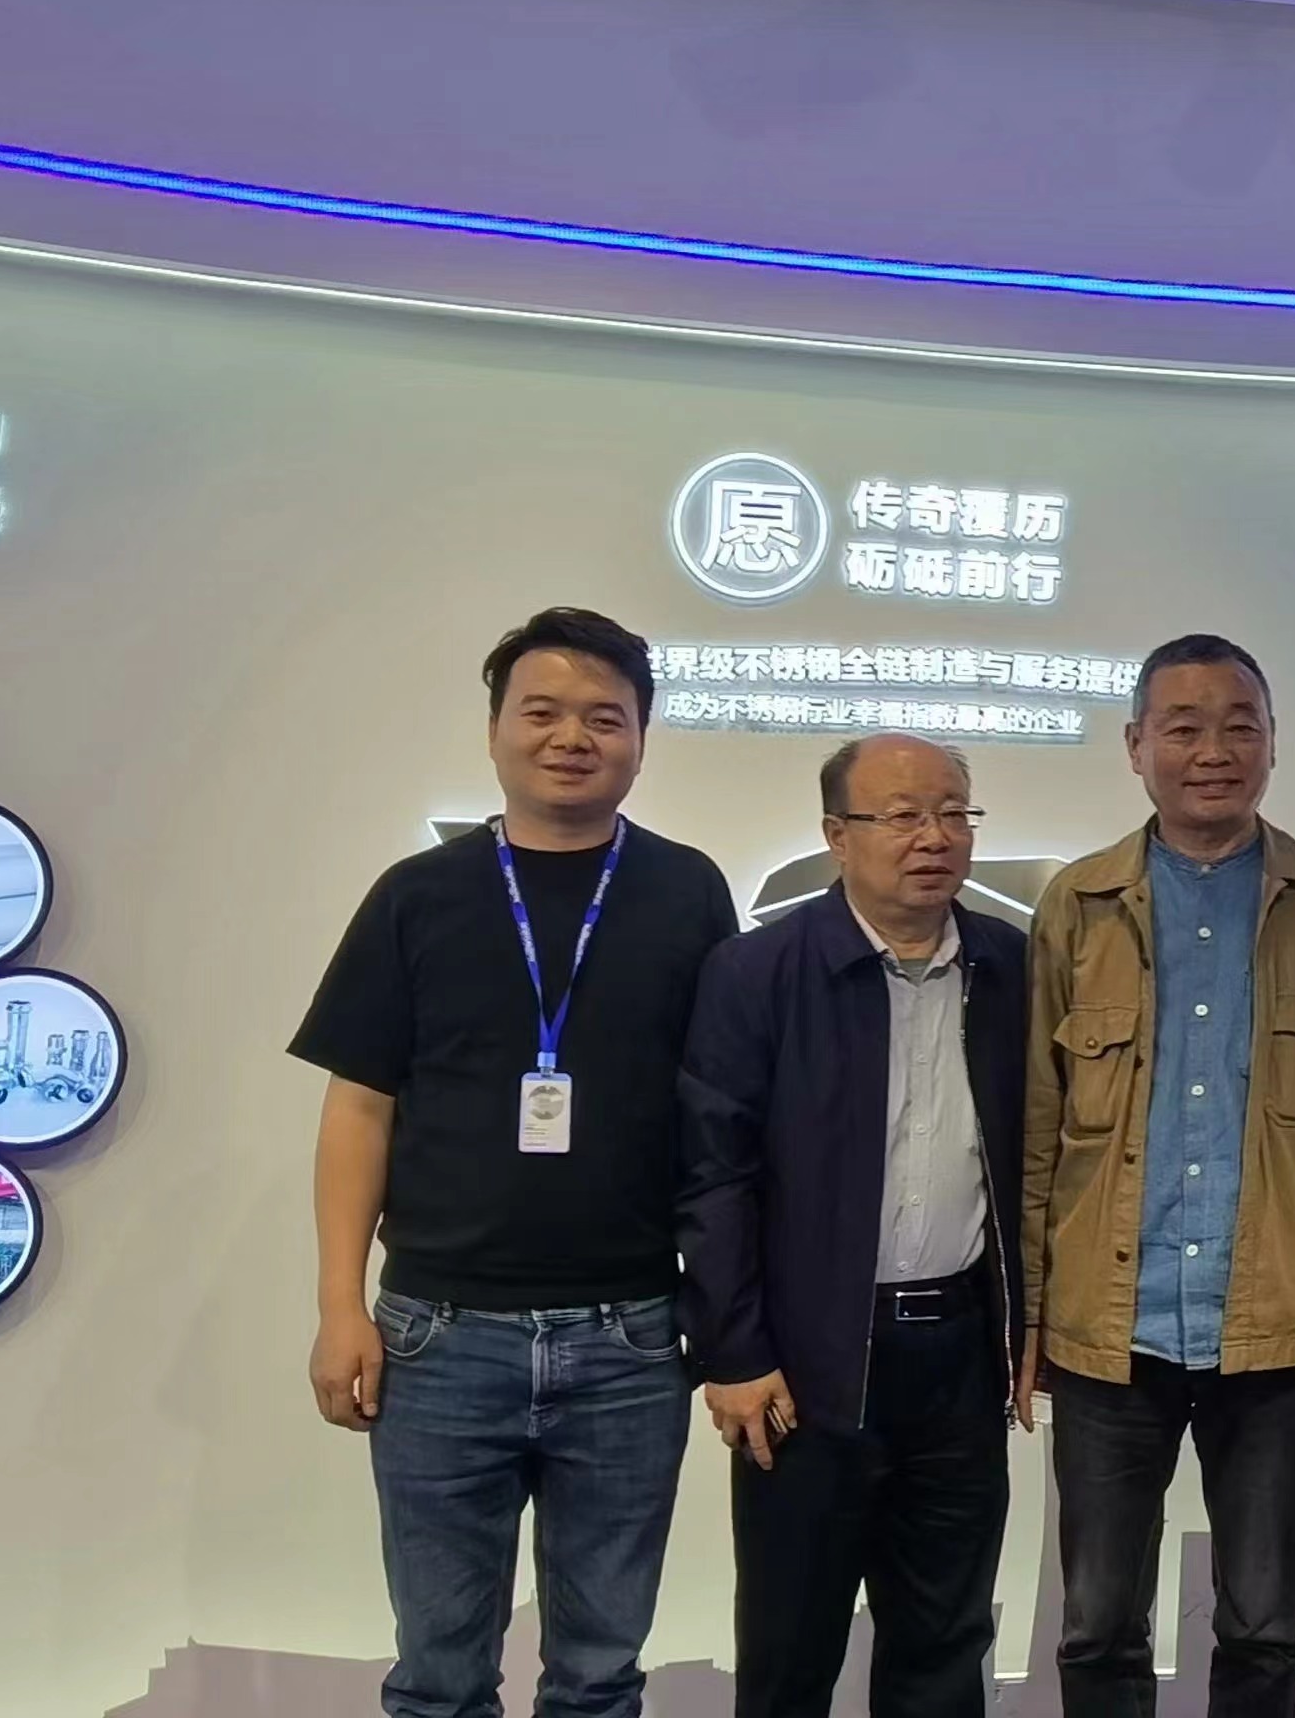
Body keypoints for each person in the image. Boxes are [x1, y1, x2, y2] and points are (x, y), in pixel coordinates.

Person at [294, 607, 742, 1718]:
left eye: (605, 717)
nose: (571, 737)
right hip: (440, 1335)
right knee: (439, 1676)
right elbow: (359, 1108)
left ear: (641, 738)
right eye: (542, 711)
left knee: (599, 1675)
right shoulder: (418, 895)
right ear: (495, 729)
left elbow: (724, 1116)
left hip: (632, 1336)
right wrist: (340, 1305)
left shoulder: (688, 891)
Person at [1018, 636, 1295, 1718]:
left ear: (1273, 742)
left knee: (1263, 1625)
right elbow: (1039, 1127)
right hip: (1108, 1329)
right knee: (1098, 1625)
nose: (1214, 751)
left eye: (1240, 725)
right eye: (1184, 727)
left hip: (1275, 1327)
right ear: (1135, 746)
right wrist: (1029, 1318)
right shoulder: (1077, 903)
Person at [676, 733, 1029, 1718]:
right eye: (903, 815)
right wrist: (734, 1349)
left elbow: (1040, 1162)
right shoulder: (757, 971)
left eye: (954, 813)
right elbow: (712, 1175)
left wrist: (1026, 1328)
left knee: (944, 1647)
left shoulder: (1011, 965)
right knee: (791, 1650)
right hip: (807, 1365)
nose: (935, 837)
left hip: (957, 1359)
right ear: (837, 834)